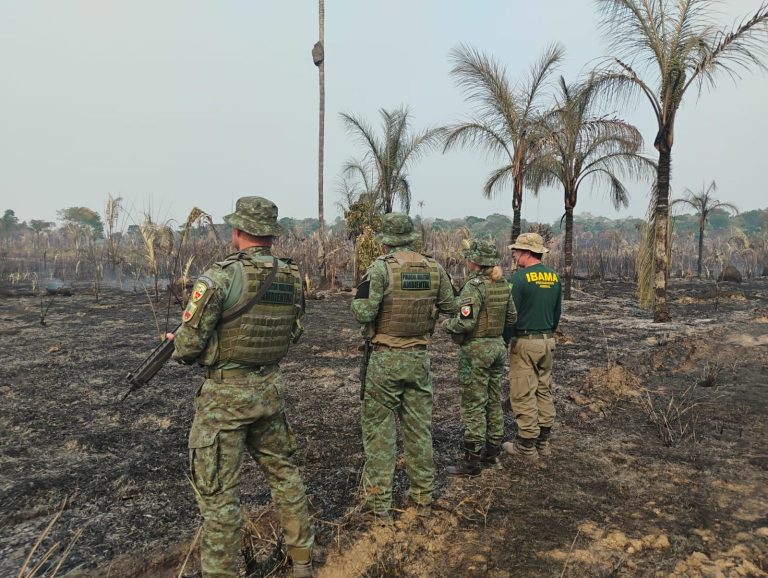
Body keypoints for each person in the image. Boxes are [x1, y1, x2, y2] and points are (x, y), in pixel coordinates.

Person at [167, 196, 314, 578]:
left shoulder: (219, 277)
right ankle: (302, 563)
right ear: (269, 234)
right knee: (285, 475)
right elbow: (293, 332)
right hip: (268, 392)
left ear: (237, 231)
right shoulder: (292, 276)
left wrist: (183, 341)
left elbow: (187, 347)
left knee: (218, 496)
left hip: (224, 403)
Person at [351, 213, 457, 522]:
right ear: (412, 238)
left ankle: (379, 505)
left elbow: (363, 311)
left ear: (385, 240)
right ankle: (423, 498)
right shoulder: (435, 269)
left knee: (380, 433)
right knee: (418, 431)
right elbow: (452, 307)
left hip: (385, 359)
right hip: (418, 359)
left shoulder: (380, 269)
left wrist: (358, 302)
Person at [442, 239, 517, 476]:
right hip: (497, 347)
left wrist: (447, 324)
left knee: (474, 404)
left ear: (475, 262)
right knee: (493, 399)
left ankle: (472, 459)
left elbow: (466, 321)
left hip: (476, 350)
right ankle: (492, 452)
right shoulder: (503, 284)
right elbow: (512, 318)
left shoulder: (473, 287)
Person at [502, 232, 562, 460]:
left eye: (516, 251)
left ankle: (526, 446)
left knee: (523, 392)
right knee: (543, 389)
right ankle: (543, 443)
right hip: (548, 341)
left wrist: (506, 340)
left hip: (525, 343)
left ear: (527, 252)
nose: (514, 255)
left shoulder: (518, 280)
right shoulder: (554, 278)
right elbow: (557, 313)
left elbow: (510, 316)